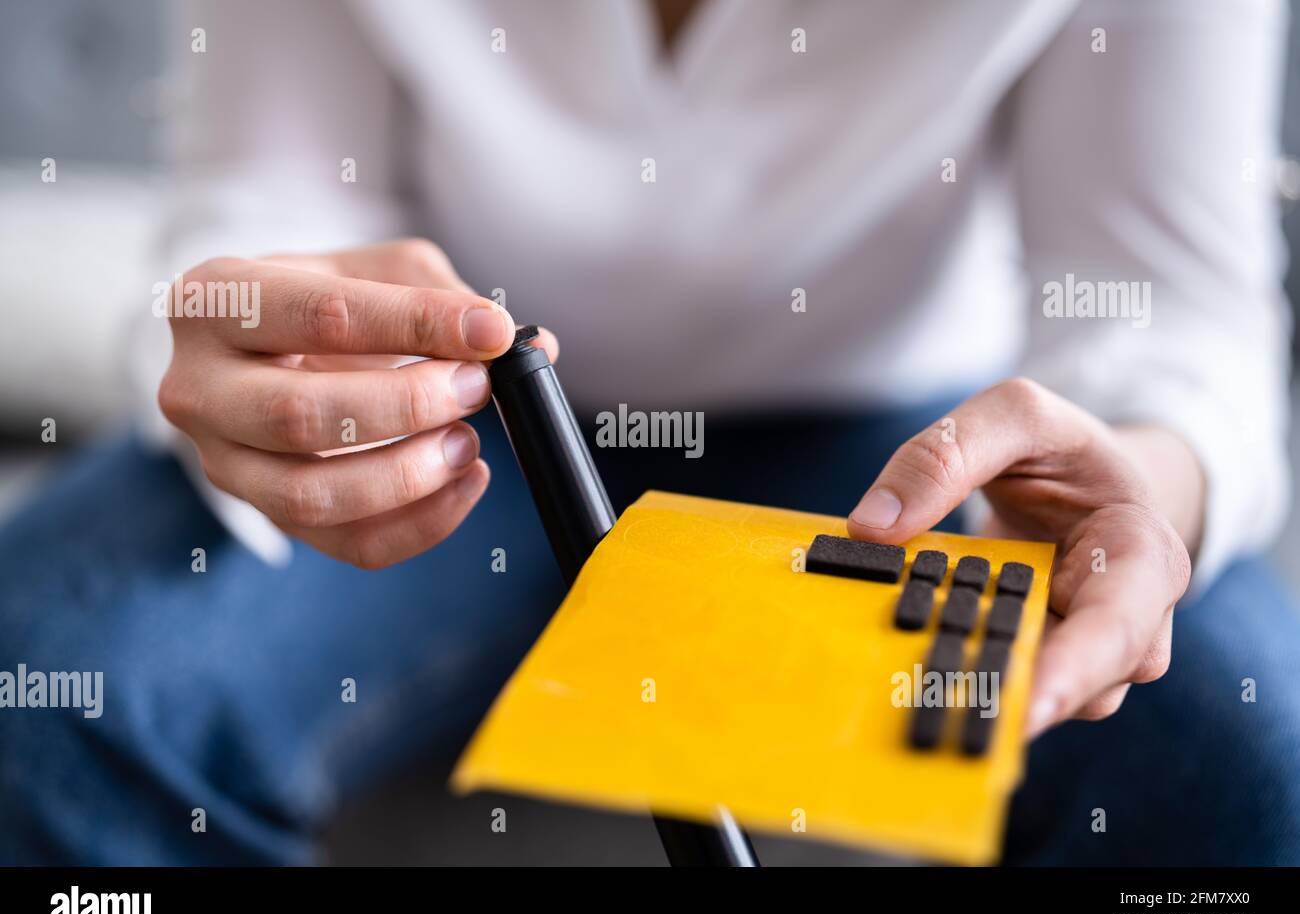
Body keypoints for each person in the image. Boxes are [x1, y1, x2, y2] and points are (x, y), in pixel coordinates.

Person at [2, 0, 1297, 865]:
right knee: (44, 692)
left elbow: (1168, 301)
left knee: (1254, 761)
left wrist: (1148, 482)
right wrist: (269, 357)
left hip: (912, 449)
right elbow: (264, 203)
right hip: (461, 430)